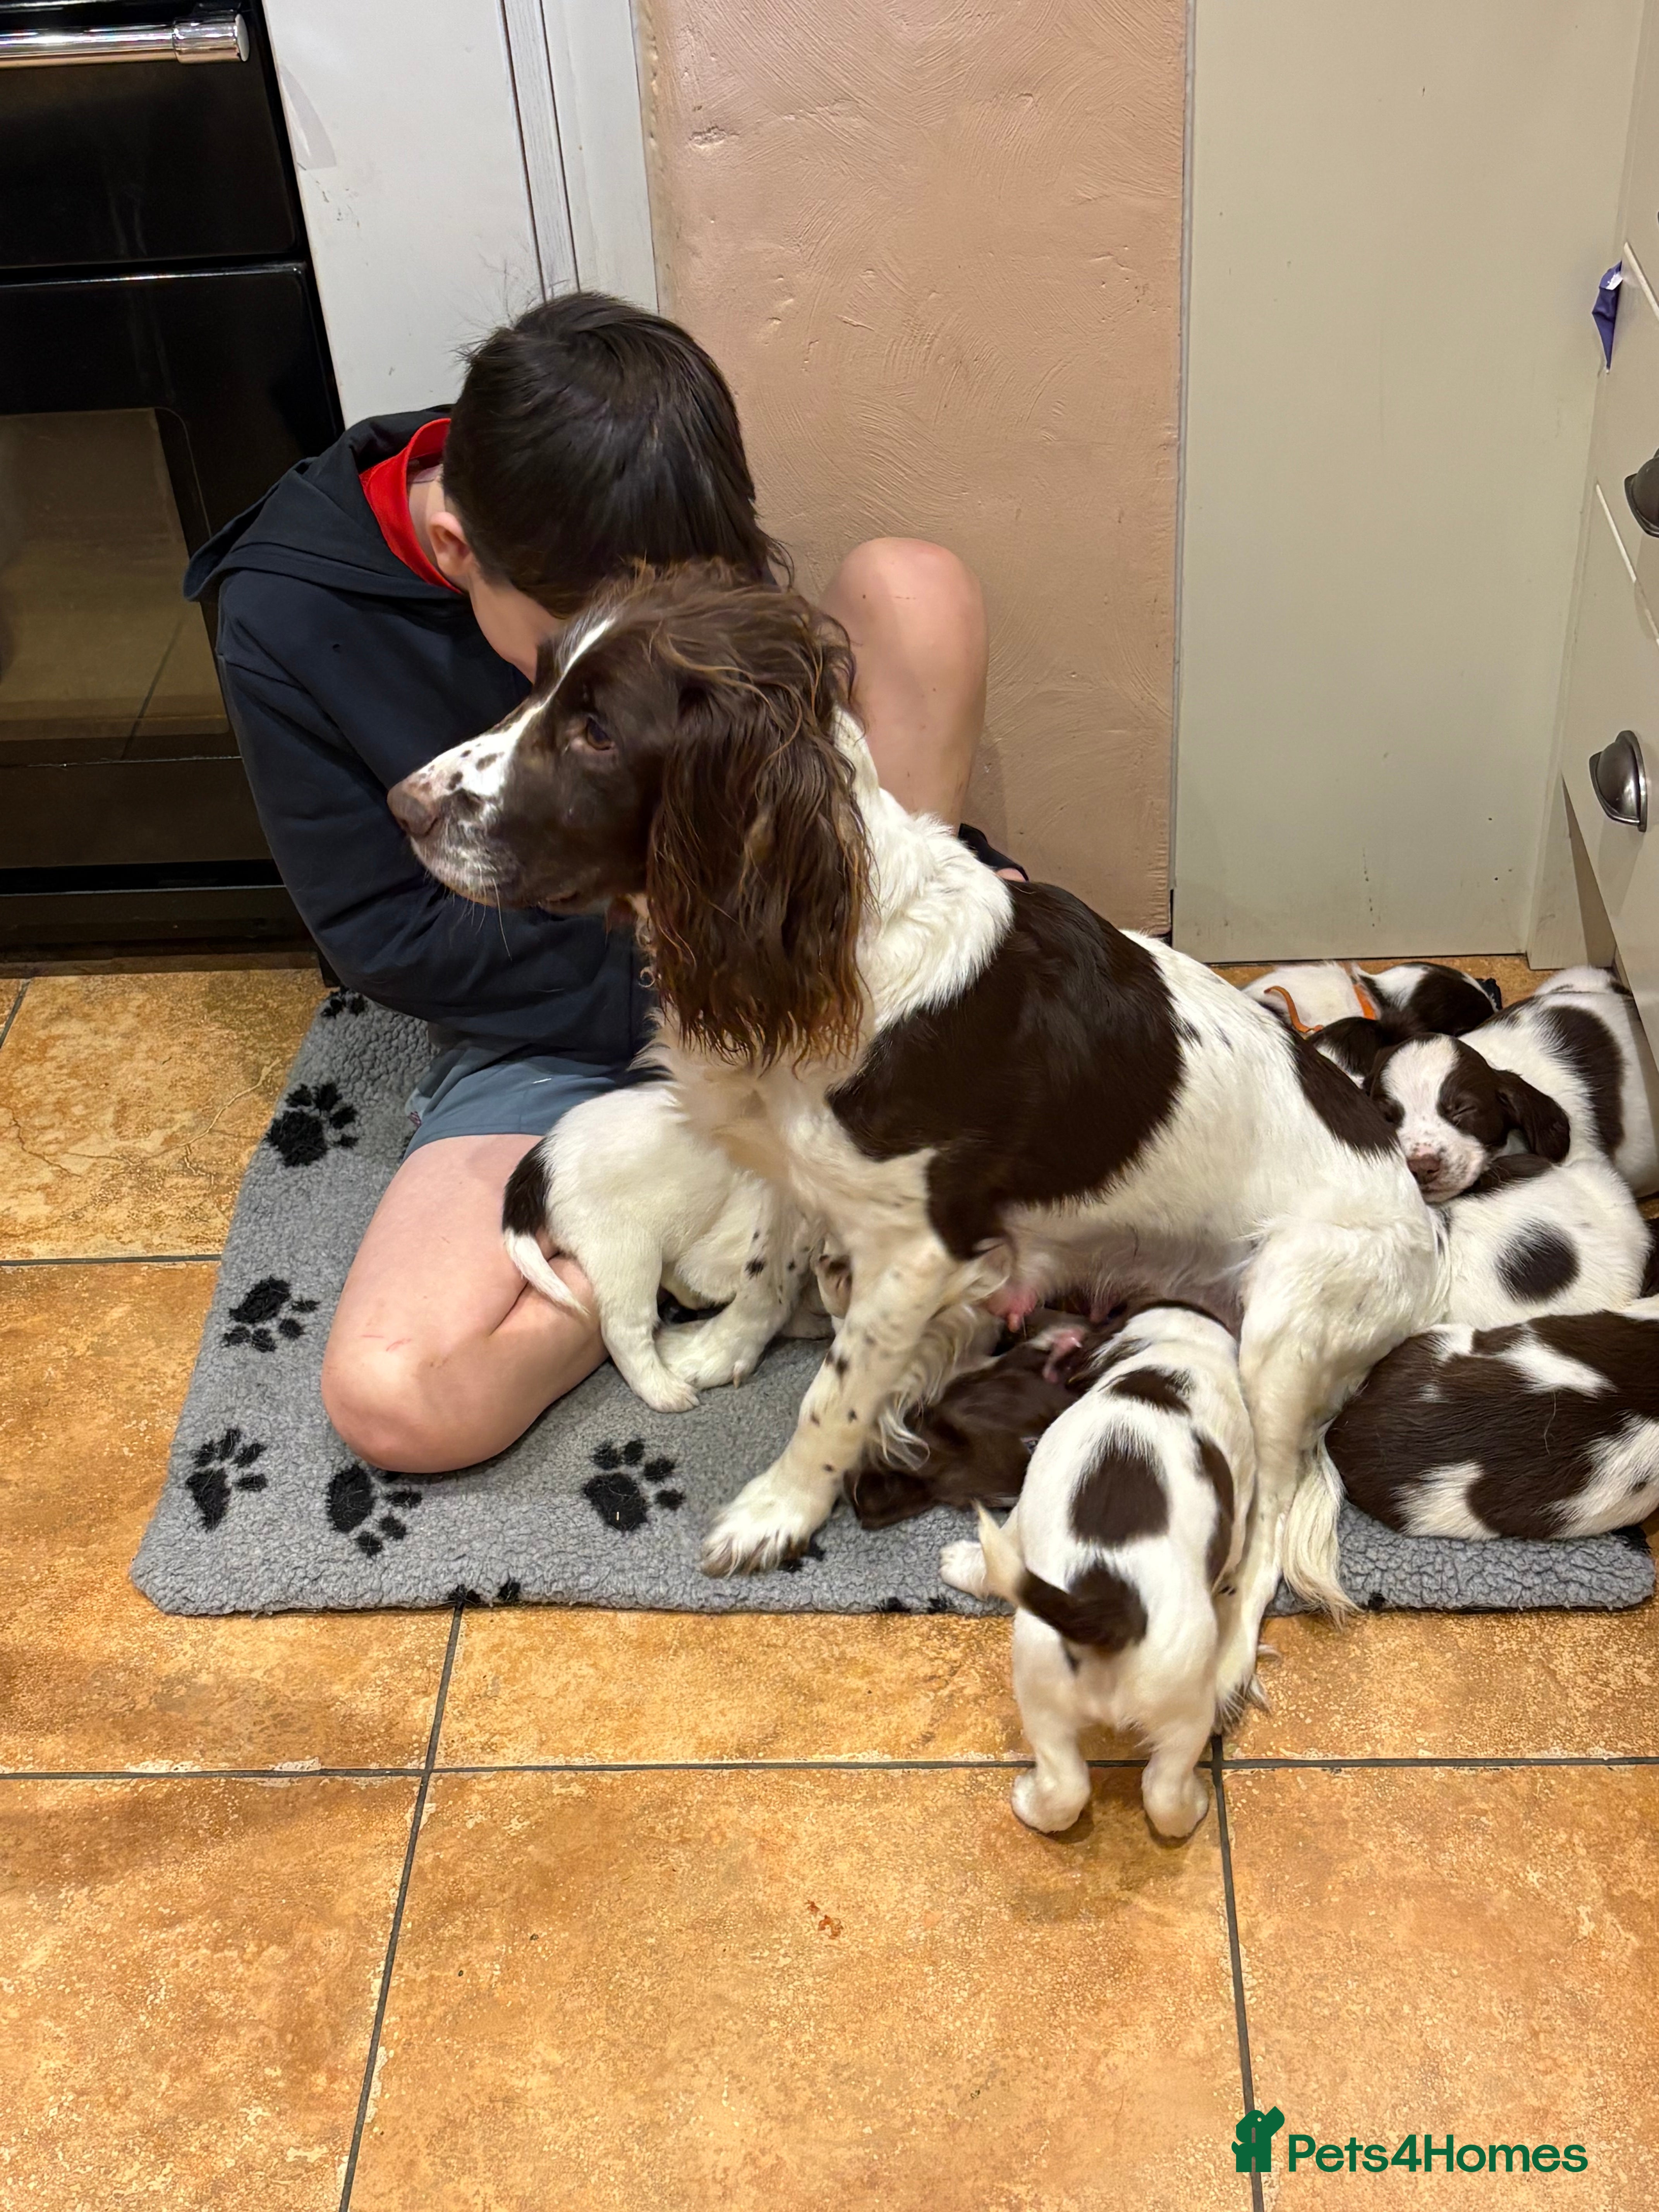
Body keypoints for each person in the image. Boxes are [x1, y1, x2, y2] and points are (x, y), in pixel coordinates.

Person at [187, 291, 1008, 1474]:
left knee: (914, 585)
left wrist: (878, 931)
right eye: (566, 647)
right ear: (462, 553)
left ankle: (867, 1087)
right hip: (577, 1013)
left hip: (823, 961)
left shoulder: (638, 475)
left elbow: (782, 759)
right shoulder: (283, 613)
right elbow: (388, 936)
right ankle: (675, 1250)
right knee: (398, 1399)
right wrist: (714, 1003)